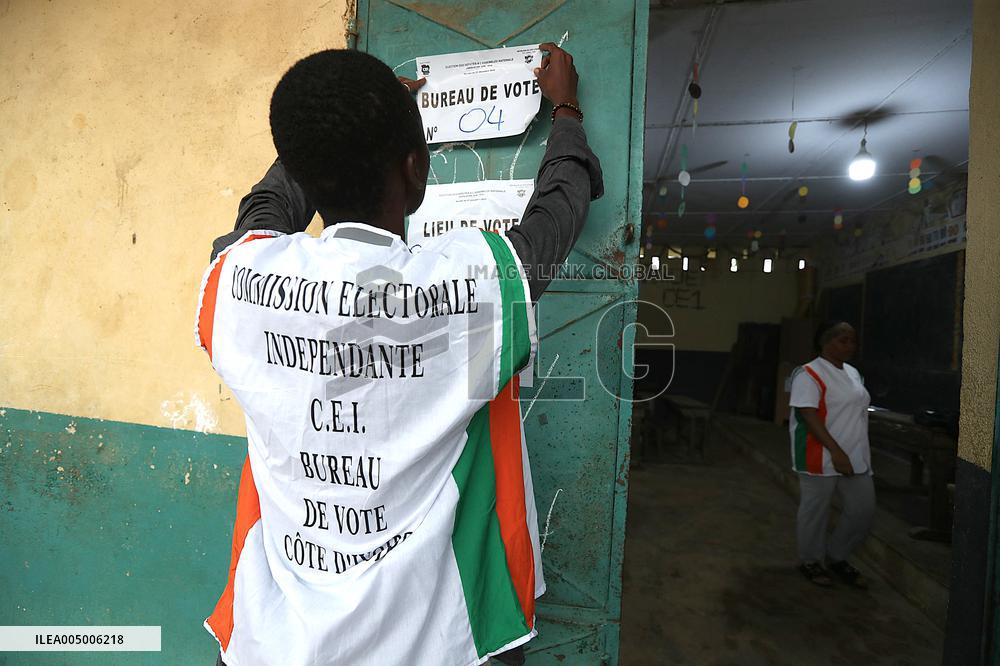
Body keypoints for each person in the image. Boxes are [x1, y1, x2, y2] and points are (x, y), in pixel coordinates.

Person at [195, 44, 602, 666]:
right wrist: (566, 113)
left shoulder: (235, 282)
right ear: (416, 169)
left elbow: (263, 211)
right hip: (436, 642)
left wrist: (341, 130)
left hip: (272, 641)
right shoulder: (469, 285)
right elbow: (556, 218)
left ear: (304, 171)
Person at [788, 320, 874, 589]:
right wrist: (836, 452)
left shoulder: (853, 373)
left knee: (862, 511)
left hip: (854, 456)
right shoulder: (808, 374)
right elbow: (808, 414)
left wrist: (850, 452)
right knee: (815, 512)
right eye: (843, 340)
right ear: (825, 342)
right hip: (819, 455)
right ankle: (810, 560)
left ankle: (837, 556)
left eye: (853, 341)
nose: (851, 346)